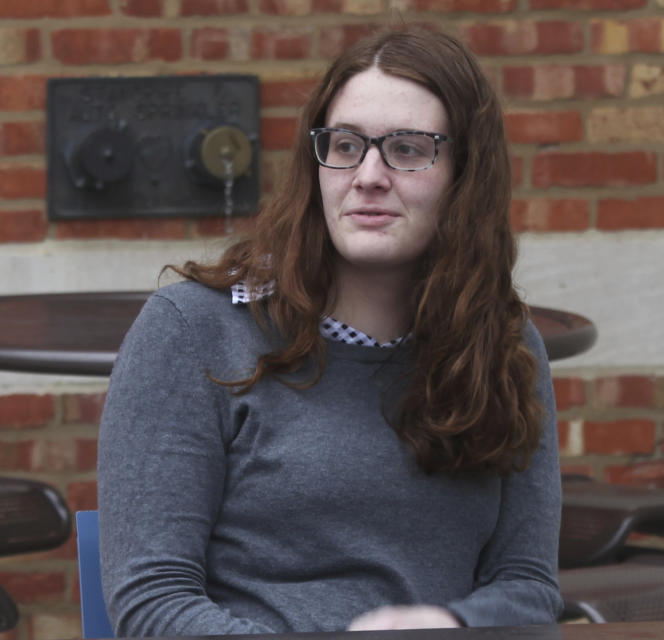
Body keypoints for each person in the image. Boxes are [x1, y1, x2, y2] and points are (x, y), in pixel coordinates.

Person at [96, 26, 563, 636]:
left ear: (464, 175)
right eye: (345, 145)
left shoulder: (503, 347)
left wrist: (447, 622)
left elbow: (528, 587)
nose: (368, 175)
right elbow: (151, 601)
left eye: (407, 148)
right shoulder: (194, 331)